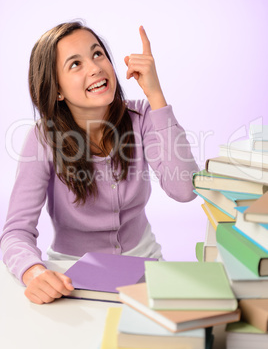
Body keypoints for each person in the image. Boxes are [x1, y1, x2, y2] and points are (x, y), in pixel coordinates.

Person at [1, 21, 199, 304]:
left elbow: (184, 190)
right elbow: (16, 232)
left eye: (97, 54)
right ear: (56, 90)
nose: (94, 68)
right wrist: (33, 272)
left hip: (146, 267)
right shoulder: (43, 138)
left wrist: (156, 95)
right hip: (72, 275)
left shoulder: (142, 118)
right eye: (75, 64)